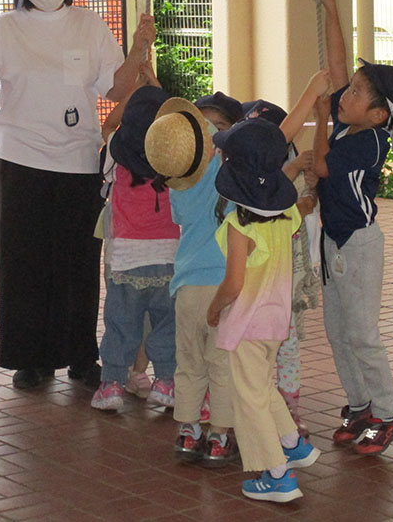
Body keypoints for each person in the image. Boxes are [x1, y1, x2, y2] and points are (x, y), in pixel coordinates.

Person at [0, 0, 156, 390]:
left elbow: (116, 89)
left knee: (78, 262)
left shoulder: (89, 25)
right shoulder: (6, 28)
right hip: (19, 158)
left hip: (77, 158)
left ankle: (82, 356)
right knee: (23, 262)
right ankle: (32, 359)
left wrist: (139, 51)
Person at [207, 71, 329, 503]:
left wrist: (214, 309)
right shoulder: (284, 216)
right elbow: (278, 149)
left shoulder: (238, 223)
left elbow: (235, 282)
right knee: (263, 387)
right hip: (275, 322)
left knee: (249, 399)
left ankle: (276, 474)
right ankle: (294, 445)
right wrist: (312, 93)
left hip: (245, 323)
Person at [311, 0, 393, 455]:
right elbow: (334, 68)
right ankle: (359, 406)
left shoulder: (370, 141)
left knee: (363, 333)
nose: (343, 94)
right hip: (333, 240)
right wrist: (331, 4)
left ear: (379, 114)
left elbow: (322, 167)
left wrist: (313, 119)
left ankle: (388, 414)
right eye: (348, 89)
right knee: (337, 331)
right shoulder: (355, 124)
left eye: (354, 93)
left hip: (359, 244)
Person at [144, 94, 238, 465]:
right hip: (223, 284)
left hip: (186, 285)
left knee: (189, 360)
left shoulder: (178, 180)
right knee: (221, 361)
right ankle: (219, 435)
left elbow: (183, 218)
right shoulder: (228, 174)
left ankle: (187, 430)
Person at [91, 85, 178, 411]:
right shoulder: (177, 161)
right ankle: (166, 382)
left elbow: (108, 127)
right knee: (167, 324)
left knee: (121, 325)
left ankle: (112, 385)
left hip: (126, 260)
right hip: (169, 258)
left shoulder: (117, 153)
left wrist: (132, 94)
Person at [244, 99, 322, 437]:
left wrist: (311, 184)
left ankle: (288, 406)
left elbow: (303, 217)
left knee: (286, 348)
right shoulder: (244, 185)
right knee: (257, 350)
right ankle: (257, 405)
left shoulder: (294, 186)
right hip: (254, 287)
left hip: (285, 287)